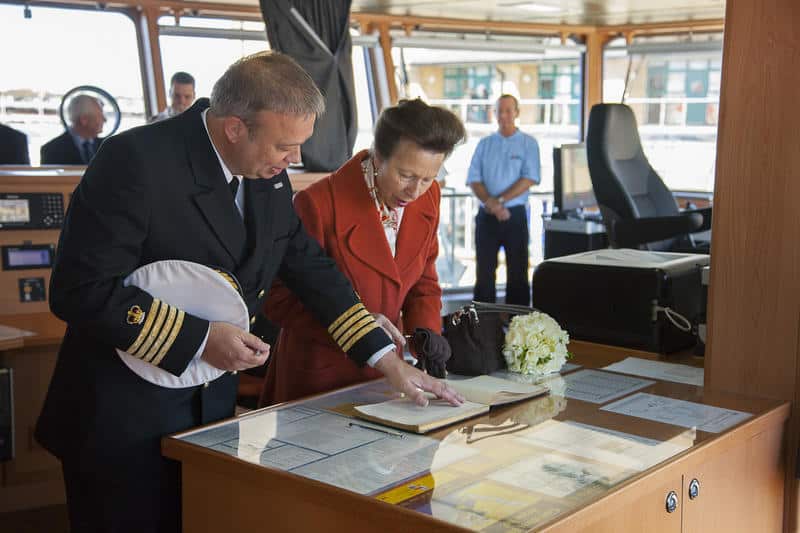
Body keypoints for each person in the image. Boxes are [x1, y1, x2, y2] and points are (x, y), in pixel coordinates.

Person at [35, 52, 461, 533]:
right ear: (236, 127)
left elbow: (310, 270)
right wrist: (199, 339)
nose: (294, 160)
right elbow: (80, 291)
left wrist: (387, 359)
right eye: (285, 145)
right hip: (120, 415)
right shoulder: (135, 162)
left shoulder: (264, 168)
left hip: (208, 409)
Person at [262, 99, 466, 405]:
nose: (415, 191)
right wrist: (359, 325)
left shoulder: (428, 198)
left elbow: (423, 278)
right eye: (406, 175)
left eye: (428, 178)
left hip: (390, 374)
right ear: (378, 156)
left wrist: (426, 332)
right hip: (321, 373)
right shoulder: (318, 203)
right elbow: (277, 300)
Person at [467, 94, 540, 306]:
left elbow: (530, 178)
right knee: (484, 273)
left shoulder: (528, 143)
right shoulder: (484, 144)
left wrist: (499, 201)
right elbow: (473, 178)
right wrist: (492, 204)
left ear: (517, 113)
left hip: (514, 216)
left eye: (509, 110)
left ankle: (517, 324)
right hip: (487, 216)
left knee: (518, 272)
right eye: (500, 111)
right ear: (495, 114)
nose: (504, 115)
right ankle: (482, 328)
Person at [40, 94, 105, 165]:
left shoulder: (107, 147)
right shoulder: (52, 150)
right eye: (100, 116)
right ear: (84, 119)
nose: (105, 120)